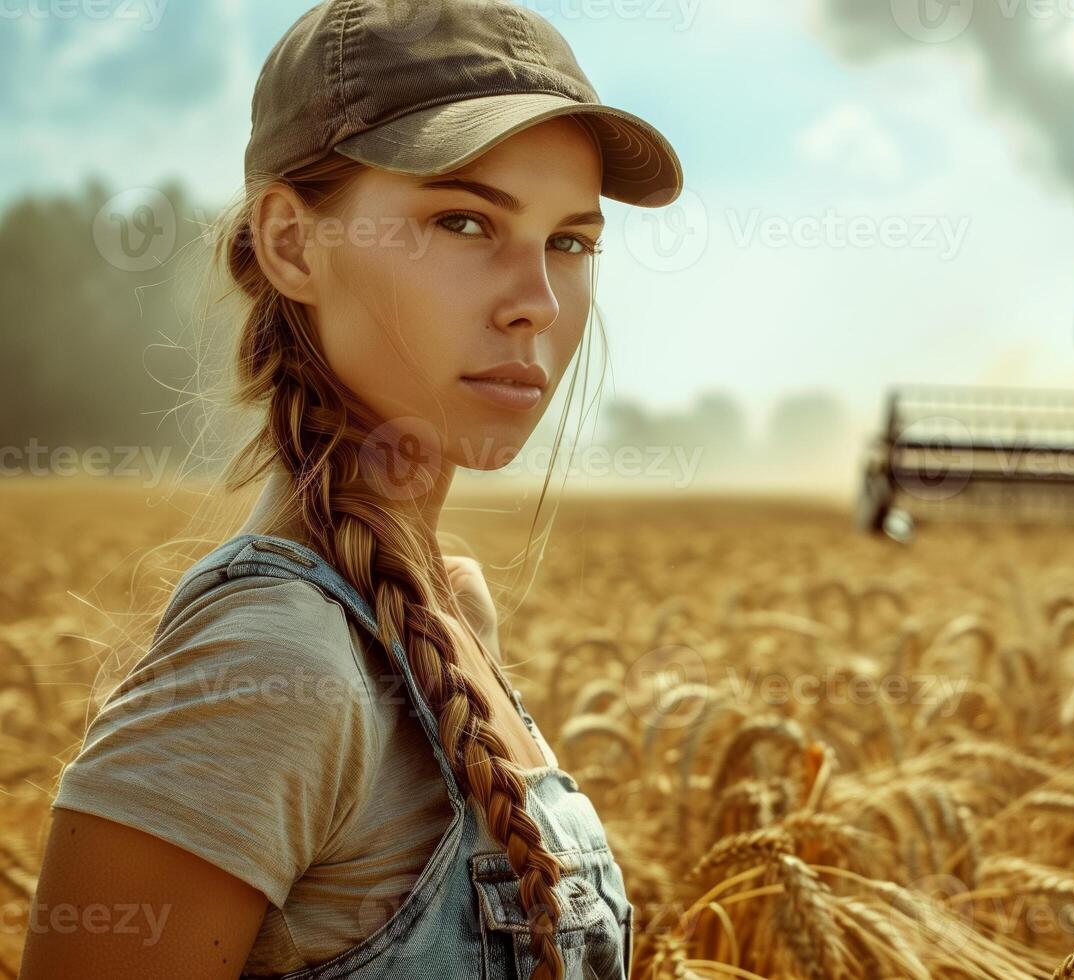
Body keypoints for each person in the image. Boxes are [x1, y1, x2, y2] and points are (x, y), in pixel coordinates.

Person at [20, 1, 682, 978]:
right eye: (464, 221)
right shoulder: (272, 662)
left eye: (570, 241)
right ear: (291, 243)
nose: (536, 300)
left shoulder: (449, 612)